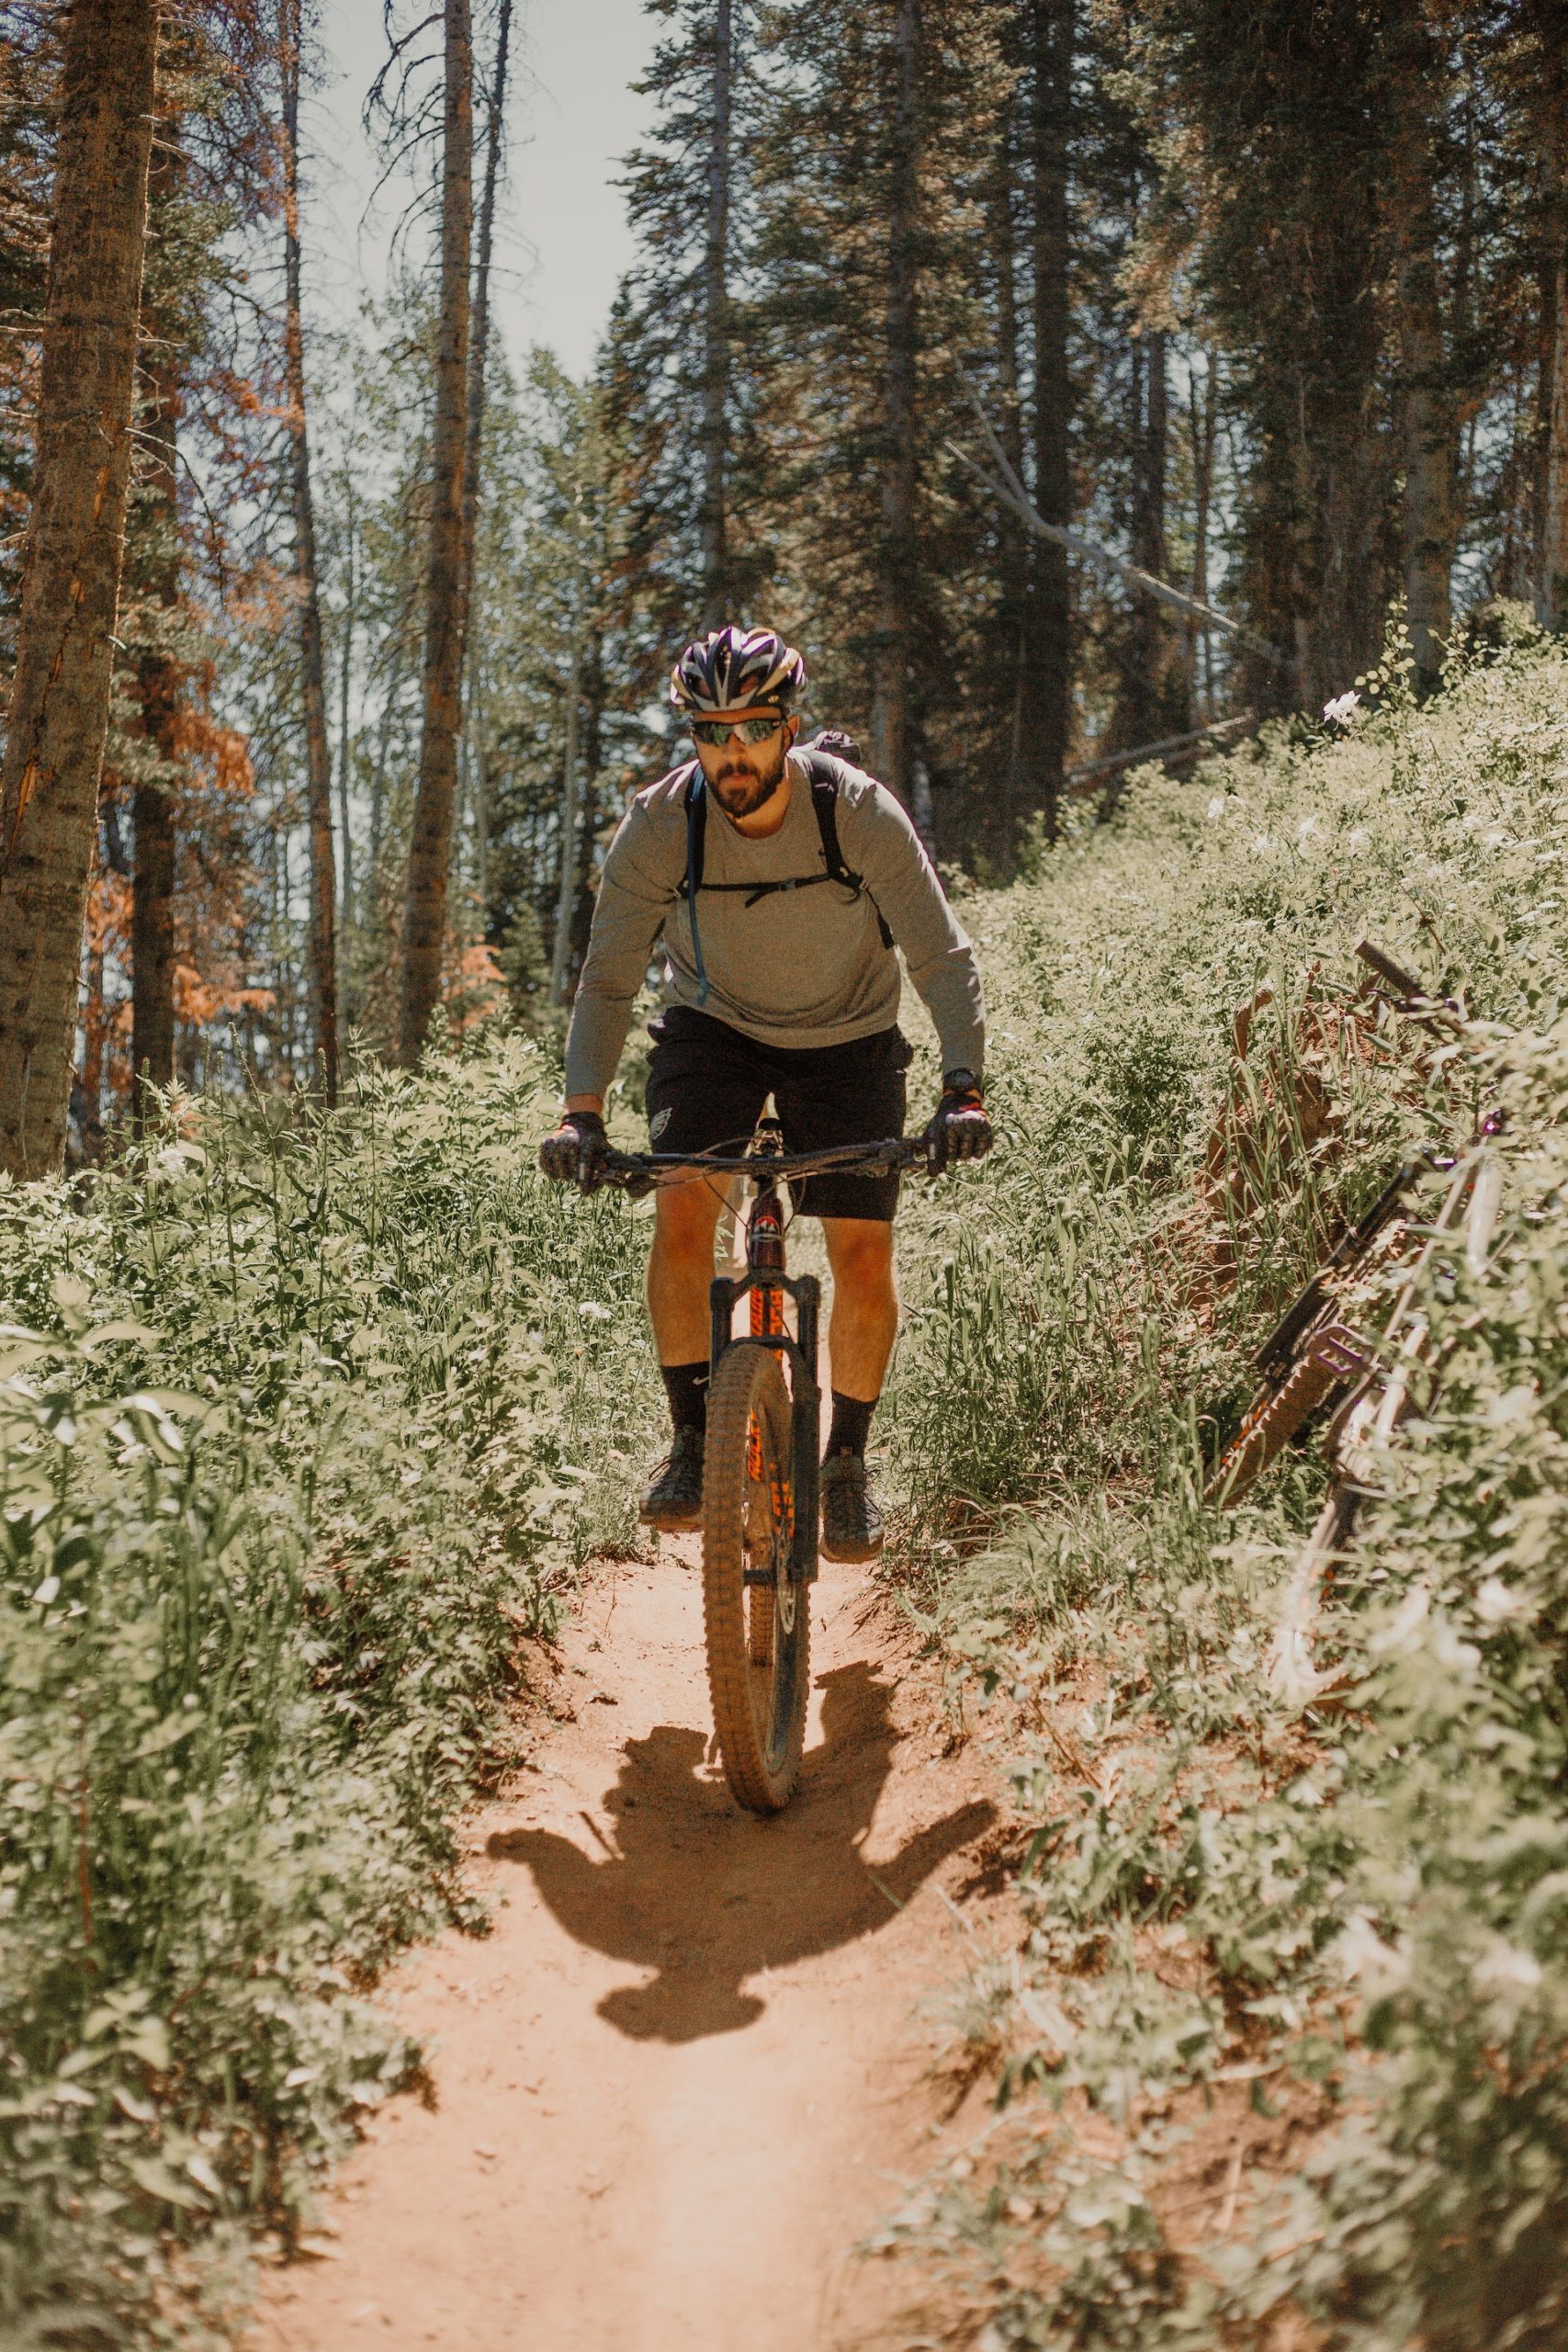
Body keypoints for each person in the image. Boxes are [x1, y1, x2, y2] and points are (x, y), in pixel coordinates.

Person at [538, 625, 990, 1560]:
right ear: (693, 736)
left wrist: (962, 1086)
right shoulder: (663, 824)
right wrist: (580, 1113)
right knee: (681, 1213)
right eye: (711, 732)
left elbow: (942, 955)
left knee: (863, 1252)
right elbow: (610, 976)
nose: (731, 752)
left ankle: (847, 1465)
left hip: (850, 1036)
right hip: (716, 1031)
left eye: (751, 729)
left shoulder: (857, 812)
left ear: (789, 726)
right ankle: (694, 1438)